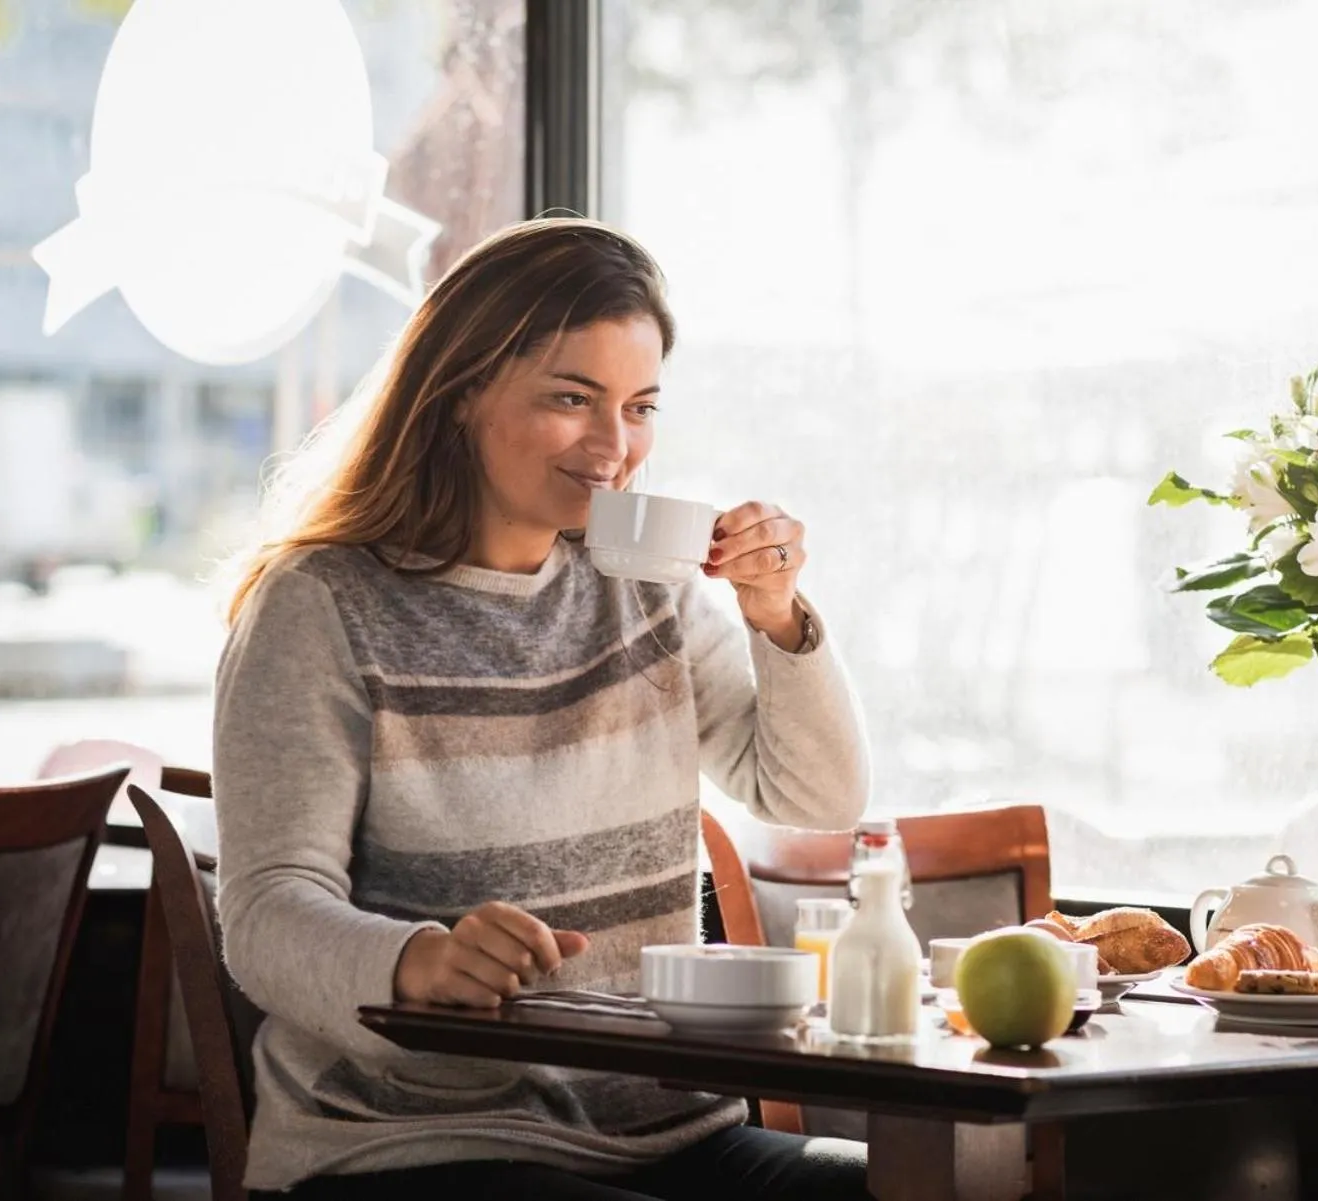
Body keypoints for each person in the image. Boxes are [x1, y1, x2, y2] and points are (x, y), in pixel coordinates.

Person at [212, 218, 874, 1200]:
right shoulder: (319, 606)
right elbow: (265, 914)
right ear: (462, 393)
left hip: (666, 1130)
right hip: (412, 1142)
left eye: (640, 405)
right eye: (573, 399)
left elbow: (817, 795)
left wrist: (778, 619)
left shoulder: (648, 585)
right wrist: (419, 961)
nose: (616, 446)